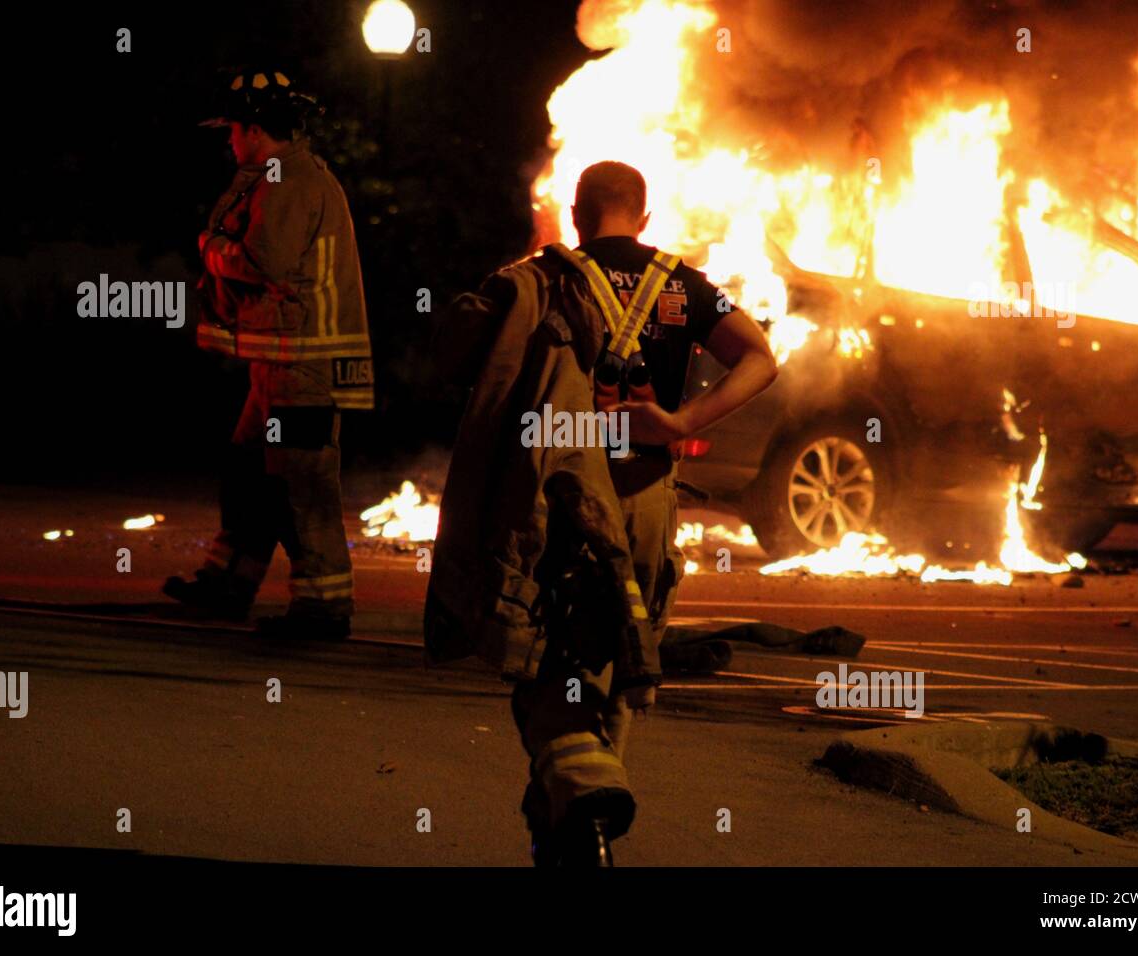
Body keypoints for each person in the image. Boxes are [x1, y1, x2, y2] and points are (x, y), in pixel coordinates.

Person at [426, 161, 776, 865]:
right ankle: (565, 825)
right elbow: (761, 358)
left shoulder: (538, 278)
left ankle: (583, 800)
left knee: (543, 654)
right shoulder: (683, 284)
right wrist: (677, 422)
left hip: (554, 493)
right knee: (616, 653)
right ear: (643, 218)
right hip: (646, 498)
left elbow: (458, 359)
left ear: (577, 213)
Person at [163, 70, 374, 641]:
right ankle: (229, 582)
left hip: (305, 366)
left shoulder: (287, 178)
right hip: (283, 360)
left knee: (299, 484)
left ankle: (323, 609)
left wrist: (212, 249)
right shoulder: (284, 173)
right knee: (251, 471)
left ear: (255, 129)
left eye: (233, 129)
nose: (229, 141)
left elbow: (265, 262)